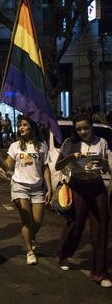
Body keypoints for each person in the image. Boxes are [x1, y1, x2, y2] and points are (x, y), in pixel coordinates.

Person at [55, 112, 112, 288]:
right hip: (77, 186)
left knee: (100, 227)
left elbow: (107, 167)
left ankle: (99, 273)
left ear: (91, 127)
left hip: (96, 186)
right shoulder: (69, 143)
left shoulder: (101, 142)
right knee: (75, 224)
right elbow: (58, 166)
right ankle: (63, 255)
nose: (82, 132)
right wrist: (71, 157)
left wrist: (102, 164)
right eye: (78, 129)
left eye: (85, 128)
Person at [0, 116, 52, 266]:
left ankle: (30, 238)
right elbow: (7, 167)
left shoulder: (42, 145)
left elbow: (45, 168)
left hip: (37, 188)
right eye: (19, 125)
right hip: (19, 186)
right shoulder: (15, 146)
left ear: (32, 127)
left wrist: (50, 188)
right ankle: (30, 251)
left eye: (24, 125)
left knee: (37, 221)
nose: (21, 128)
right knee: (27, 221)